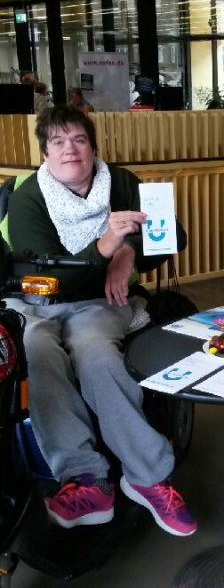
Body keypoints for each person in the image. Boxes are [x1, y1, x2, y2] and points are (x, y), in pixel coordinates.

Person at [5, 105, 196, 536]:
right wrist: (107, 247)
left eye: (79, 139)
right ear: (45, 152)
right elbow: (47, 278)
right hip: (38, 301)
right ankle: (84, 477)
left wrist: (130, 254)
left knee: (96, 354)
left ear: (93, 147)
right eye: (58, 142)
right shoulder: (28, 198)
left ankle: (147, 476)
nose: (70, 150)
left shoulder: (122, 183)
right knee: (35, 350)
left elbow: (174, 234)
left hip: (99, 303)